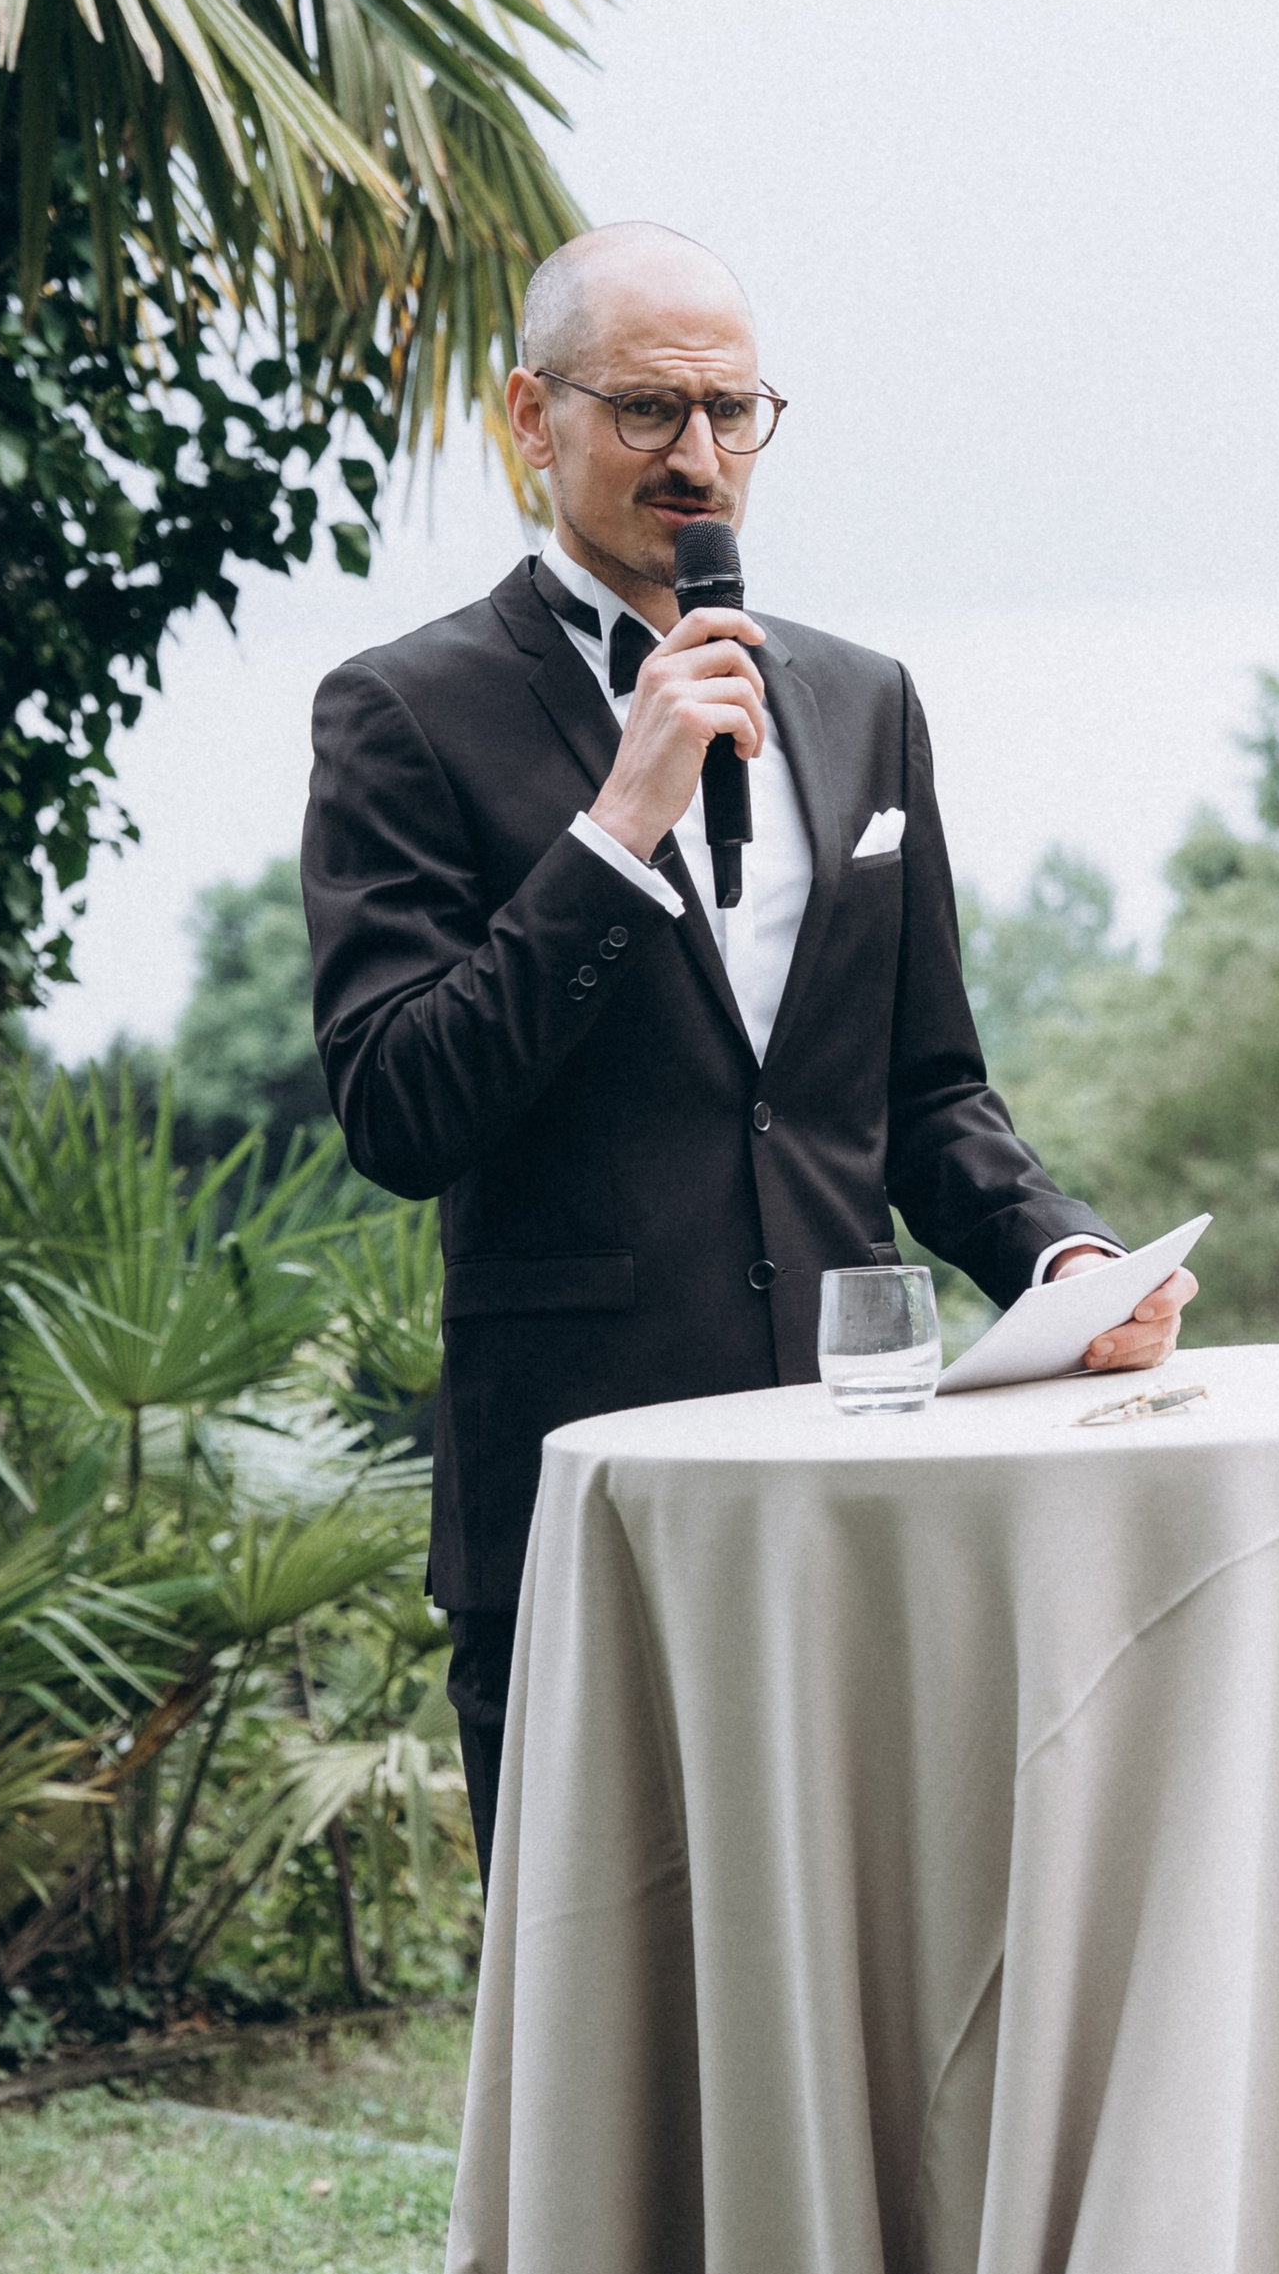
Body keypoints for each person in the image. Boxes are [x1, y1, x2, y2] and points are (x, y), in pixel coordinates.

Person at [301, 222, 1194, 1875]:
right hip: (587, 1499)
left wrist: (1066, 1260)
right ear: (529, 413)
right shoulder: (404, 714)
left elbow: (925, 1094)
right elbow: (400, 1108)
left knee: (889, 1985)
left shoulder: (865, 702)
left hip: (866, 1486)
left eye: (733, 411)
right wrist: (618, 826)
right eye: (646, 410)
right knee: (607, 2036)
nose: (697, 458)